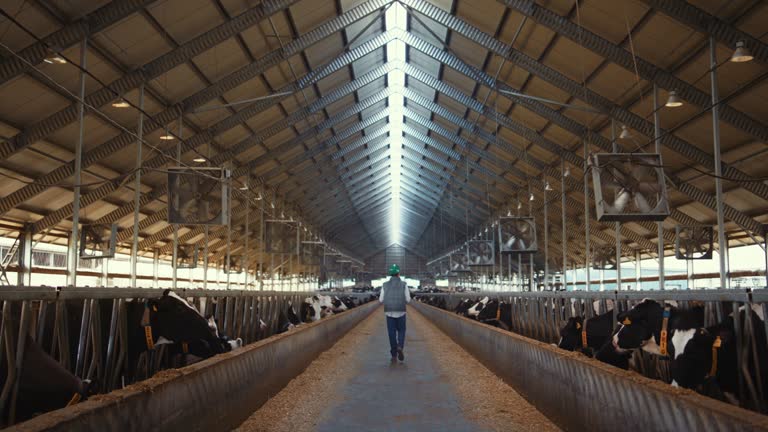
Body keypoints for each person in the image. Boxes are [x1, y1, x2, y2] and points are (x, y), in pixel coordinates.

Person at [379, 264, 411, 363]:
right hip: (401, 311)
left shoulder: (384, 284)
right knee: (401, 330)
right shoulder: (404, 284)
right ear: (398, 273)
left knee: (391, 333)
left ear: (390, 274)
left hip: (389, 312)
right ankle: (400, 346)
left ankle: (393, 354)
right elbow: (408, 300)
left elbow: (380, 300)